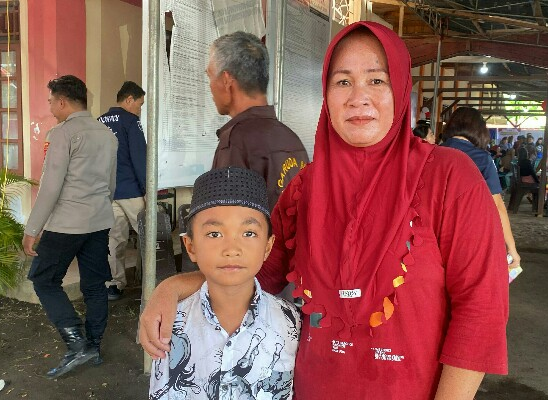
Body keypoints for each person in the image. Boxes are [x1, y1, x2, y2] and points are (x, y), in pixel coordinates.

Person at [140, 22, 508, 399]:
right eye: (343, 81)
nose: (358, 97)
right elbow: (253, 272)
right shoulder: (305, 188)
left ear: (400, 88)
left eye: (376, 80)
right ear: (326, 94)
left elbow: (481, 310)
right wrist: (171, 288)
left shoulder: (449, 176)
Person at [148, 167, 300, 399]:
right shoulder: (170, 325)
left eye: (248, 233)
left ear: (268, 247)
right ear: (190, 246)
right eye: (214, 234)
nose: (231, 249)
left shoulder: (291, 323)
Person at [22, 75, 117, 378]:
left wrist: (32, 228)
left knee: (43, 279)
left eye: (51, 102)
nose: (50, 108)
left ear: (62, 102)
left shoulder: (62, 133)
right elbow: (111, 185)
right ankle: (94, 346)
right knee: (95, 285)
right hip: (99, 221)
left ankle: (77, 344)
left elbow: (50, 186)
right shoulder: (107, 134)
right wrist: (97, 209)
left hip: (66, 223)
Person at [207, 31, 309, 211]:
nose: (210, 86)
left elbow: (226, 219)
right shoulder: (292, 139)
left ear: (226, 80)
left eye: (210, 76)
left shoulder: (236, 141)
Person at [440, 107, 521, 269]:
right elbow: (497, 206)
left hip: (430, 233)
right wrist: (511, 247)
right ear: (479, 129)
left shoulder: (432, 153)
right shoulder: (482, 158)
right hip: (468, 235)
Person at [98, 81, 147, 301]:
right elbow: (140, 158)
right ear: (129, 99)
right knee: (150, 236)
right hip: (131, 191)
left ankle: (114, 284)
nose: (140, 109)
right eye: (140, 104)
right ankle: (152, 281)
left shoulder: (99, 122)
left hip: (109, 193)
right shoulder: (131, 122)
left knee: (114, 239)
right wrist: (147, 189)